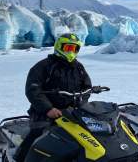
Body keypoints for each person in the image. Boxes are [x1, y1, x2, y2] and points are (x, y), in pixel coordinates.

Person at [14, 33, 91, 162]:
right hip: (44, 112)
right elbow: (33, 90)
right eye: (68, 48)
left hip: (72, 111)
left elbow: (87, 86)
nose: (71, 52)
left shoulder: (78, 68)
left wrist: (81, 102)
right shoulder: (44, 66)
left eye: (74, 49)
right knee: (38, 134)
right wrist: (48, 108)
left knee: (88, 134)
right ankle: (20, 158)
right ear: (59, 47)